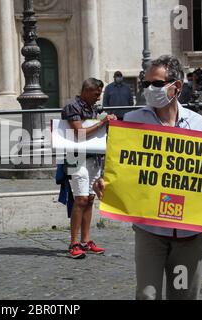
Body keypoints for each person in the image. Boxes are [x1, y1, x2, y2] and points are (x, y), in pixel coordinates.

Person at [94, 55, 202, 300]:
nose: (149, 90)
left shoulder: (198, 123)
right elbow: (123, 169)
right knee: (147, 295)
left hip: (189, 234)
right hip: (150, 230)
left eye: (156, 84)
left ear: (176, 87)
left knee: (183, 295)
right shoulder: (134, 121)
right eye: (145, 83)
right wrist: (105, 184)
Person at [61, 78, 117, 259]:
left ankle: (85, 241)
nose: (98, 97)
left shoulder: (92, 108)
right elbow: (79, 133)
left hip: (93, 157)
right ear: (86, 91)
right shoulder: (72, 106)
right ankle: (74, 243)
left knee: (91, 199)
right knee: (81, 199)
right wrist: (101, 123)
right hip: (75, 157)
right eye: (96, 94)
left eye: (99, 94)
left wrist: (109, 122)